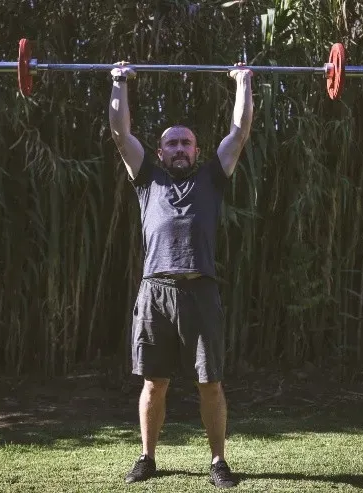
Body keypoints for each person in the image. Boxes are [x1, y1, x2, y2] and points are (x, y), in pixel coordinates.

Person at [108, 59, 253, 488]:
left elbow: (239, 132)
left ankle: (218, 462)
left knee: (210, 383)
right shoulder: (146, 179)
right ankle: (147, 457)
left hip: (200, 292)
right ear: (160, 152)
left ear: (196, 150)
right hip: (155, 291)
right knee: (155, 384)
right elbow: (120, 132)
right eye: (171, 143)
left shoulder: (212, 178)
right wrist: (119, 81)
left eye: (185, 143)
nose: (178, 149)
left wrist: (243, 82)